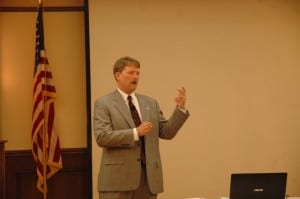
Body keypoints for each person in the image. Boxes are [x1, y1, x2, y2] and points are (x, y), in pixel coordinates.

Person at [93, 56, 189, 199]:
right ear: (117, 75)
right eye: (131, 72)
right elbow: (102, 137)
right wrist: (135, 133)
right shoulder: (104, 103)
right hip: (117, 180)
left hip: (147, 179)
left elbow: (166, 132)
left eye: (138, 73)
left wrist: (180, 109)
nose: (135, 77)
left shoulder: (150, 102)